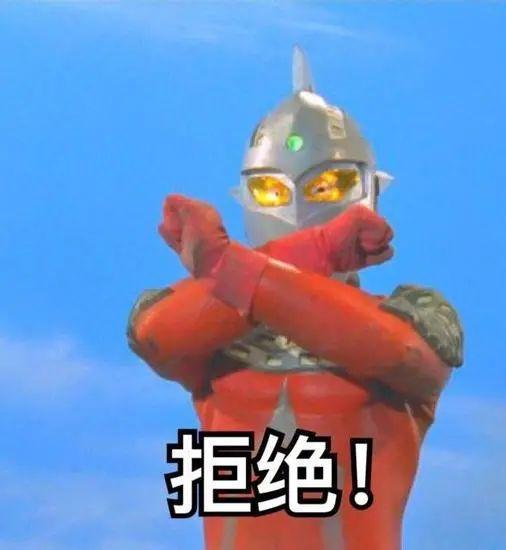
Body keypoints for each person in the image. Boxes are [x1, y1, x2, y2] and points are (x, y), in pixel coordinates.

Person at [127, 47, 464, 550]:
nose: (299, 205)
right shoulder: (210, 314)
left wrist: (229, 264)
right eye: (270, 191)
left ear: (372, 190)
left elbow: (394, 350)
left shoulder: (414, 313)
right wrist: (315, 250)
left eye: (329, 185)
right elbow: (156, 335)